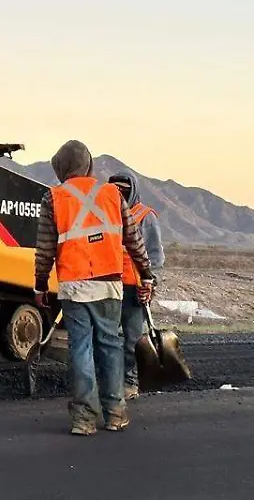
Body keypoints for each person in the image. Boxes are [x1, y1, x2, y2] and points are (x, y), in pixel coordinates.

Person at [32, 140, 155, 435]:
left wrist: (39, 285)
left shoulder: (55, 197)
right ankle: (115, 413)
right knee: (110, 346)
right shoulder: (112, 194)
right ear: (88, 165)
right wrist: (147, 273)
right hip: (109, 285)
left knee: (81, 349)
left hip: (74, 287)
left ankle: (84, 419)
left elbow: (45, 248)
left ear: (61, 168)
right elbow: (134, 239)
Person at [109, 171, 164, 400]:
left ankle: (130, 382)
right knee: (108, 338)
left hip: (135, 287)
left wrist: (150, 282)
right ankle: (111, 382)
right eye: (115, 191)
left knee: (132, 339)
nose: (119, 195)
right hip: (109, 286)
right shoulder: (105, 215)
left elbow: (155, 256)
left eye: (123, 190)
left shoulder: (144, 216)